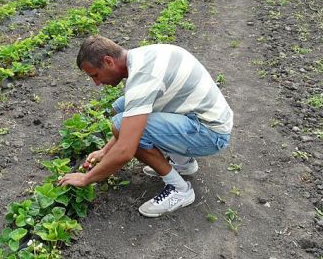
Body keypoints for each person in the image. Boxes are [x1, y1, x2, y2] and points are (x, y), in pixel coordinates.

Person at [58, 35, 233, 217]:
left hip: (211, 133)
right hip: (203, 117)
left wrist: (86, 178)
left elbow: (126, 149)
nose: (97, 82)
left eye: (95, 75)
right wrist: (105, 151)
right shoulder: (143, 57)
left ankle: (180, 190)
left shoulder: (143, 79)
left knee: (122, 125)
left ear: (108, 61)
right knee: (120, 107)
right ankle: (183, 163)